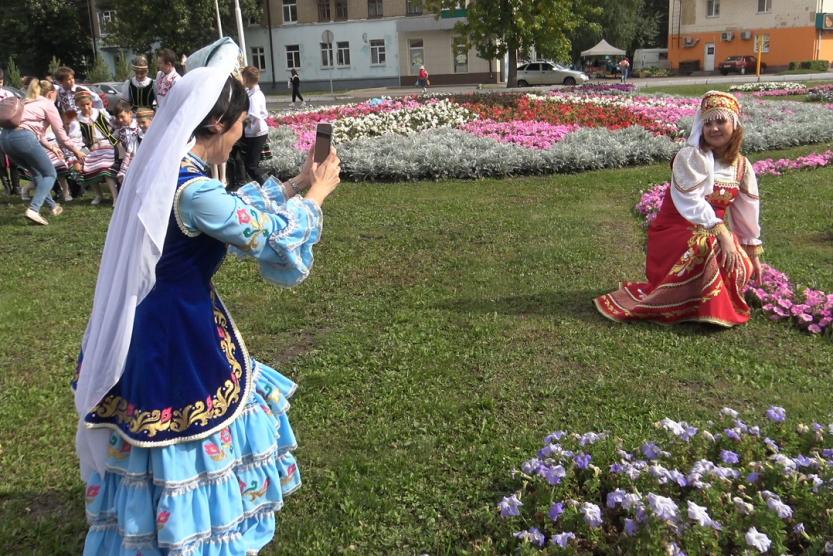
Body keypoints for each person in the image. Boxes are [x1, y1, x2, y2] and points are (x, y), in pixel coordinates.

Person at [74, 38, 342, 555]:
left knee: (151, 430)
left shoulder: (168, 171)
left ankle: (150, 522)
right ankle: (192, 532)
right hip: (179, 329)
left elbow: (234, 206)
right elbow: (261, 233)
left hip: (150, 317)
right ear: (217, 124)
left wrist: (293, 184)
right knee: (186, 425)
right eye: (239, 125)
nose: (242, 136)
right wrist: (317, 195)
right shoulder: (193, 190)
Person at [594, 91, 762, 327]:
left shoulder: (742, 166)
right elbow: (691, 202)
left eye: (720, 121)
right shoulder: (690, 157)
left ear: (735, 124)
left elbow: (747, 210)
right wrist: (722, 232)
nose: (713, 128)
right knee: (710, 245)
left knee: (735, 255)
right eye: (708, 123)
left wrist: (751, 248)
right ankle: (705, 307)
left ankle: (702, 302)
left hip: (712, 228)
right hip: (675, 229)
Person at [0, 78, 87, 224]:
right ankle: (34, 209)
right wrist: (76, 150)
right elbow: (60, 134)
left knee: (36, 173)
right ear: (51, 93)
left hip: (5, 140)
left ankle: (53, 206)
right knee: (50, 173)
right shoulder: (47, 104)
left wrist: (51, 147)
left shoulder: (24, 101)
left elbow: (36, 132)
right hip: (23, 139)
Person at [76, 90, 119, 205]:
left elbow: (113, 125)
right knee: (88, 169)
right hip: (93, 147)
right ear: (78, 105)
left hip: (107, 144)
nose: (86, 107)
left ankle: (115, 197)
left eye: (87, 104)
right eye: (82, 105)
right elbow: (80, 137)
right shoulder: (78, 119)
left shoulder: (100, 113)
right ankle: (98, 195)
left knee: (105, 168)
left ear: (91, 103)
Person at [241, 65, 270, 183]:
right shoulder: (256, 93)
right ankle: (264, 185)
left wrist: (242, 119)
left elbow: (254, 116)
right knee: (253, 163)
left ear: (247, 79)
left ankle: (268, 185)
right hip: (258, 132)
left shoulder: (254, 97)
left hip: (256, 133)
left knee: (251, 165)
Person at [112, 100, 140, 185]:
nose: (120, 120)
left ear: (130, 114)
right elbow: (111, 139)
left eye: (122, 116)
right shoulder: (120, 131)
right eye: (117, 117)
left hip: (141, 156)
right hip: (128, 159)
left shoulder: (139, 125)